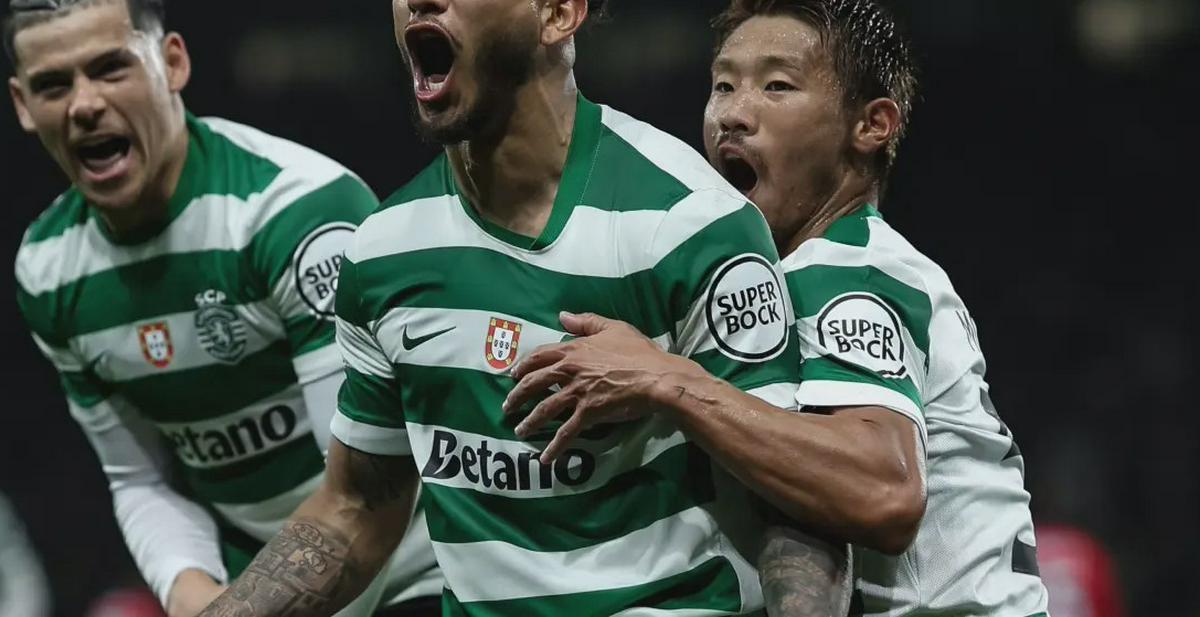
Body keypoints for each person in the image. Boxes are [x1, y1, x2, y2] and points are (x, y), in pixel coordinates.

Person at [199, 0, 804, 615]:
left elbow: (791, 500)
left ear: (557, 13)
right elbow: (357, 507)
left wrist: (672, 386)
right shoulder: (384, 252)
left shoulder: (690, 222)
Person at [504, 1, 1052, 616]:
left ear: (871, 125)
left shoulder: (848, 271)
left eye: (777, 86)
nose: (733, 114)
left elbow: (884, 493)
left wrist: (667, 382)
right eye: (723, 85)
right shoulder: (802, 271)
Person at [5, 1, 440, 615]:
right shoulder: (48, 271)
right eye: (54, 85)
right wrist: (193, 595)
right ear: (23, 105)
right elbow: (139, 479)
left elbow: (368, 497)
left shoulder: (295, 213)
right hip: (253, 586)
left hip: (418, 567)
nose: (84, 105)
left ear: (172, 63)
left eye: (110, 68)